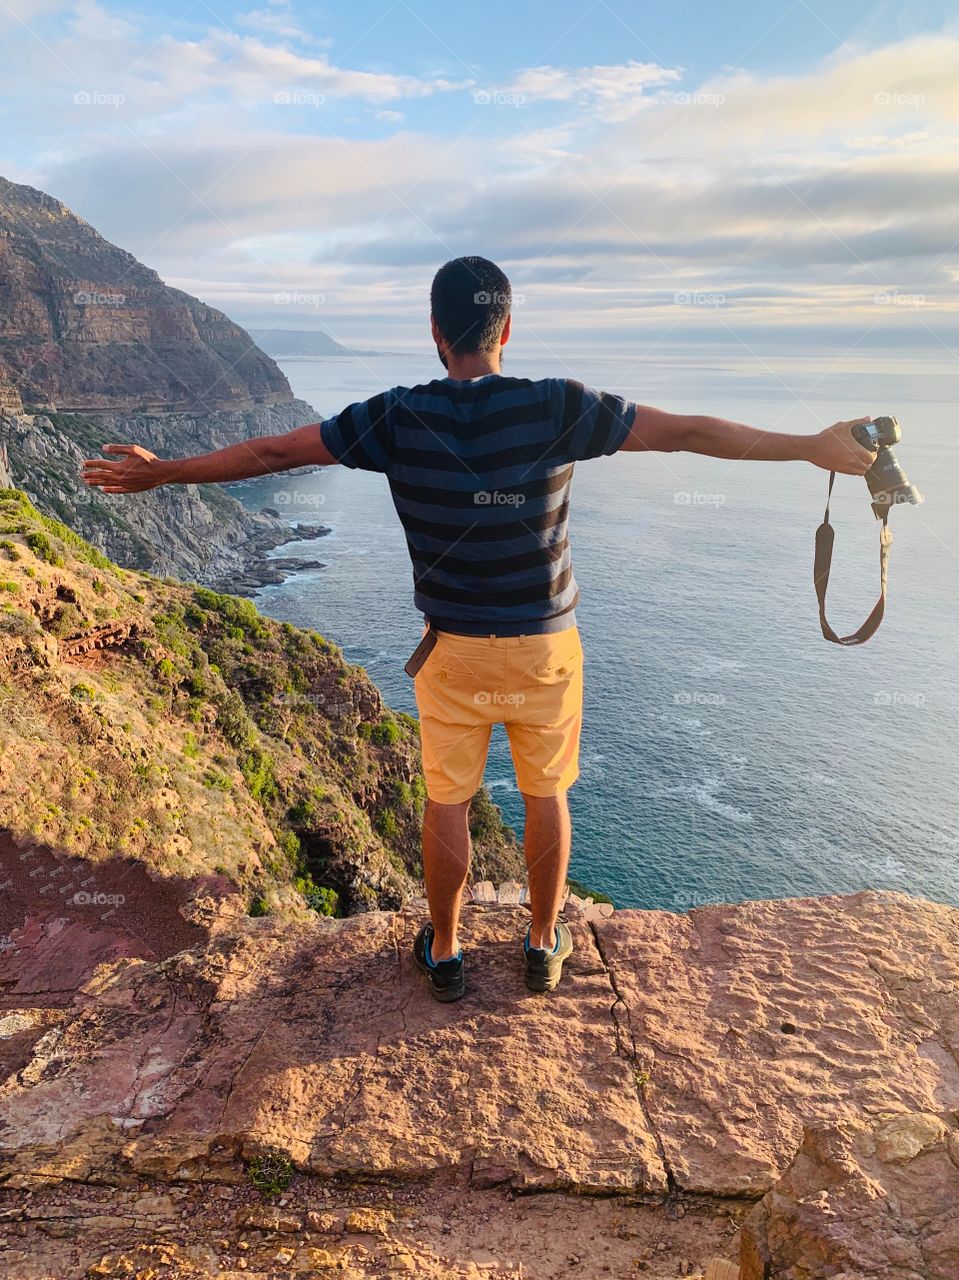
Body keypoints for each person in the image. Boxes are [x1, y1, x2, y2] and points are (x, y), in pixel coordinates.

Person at [82, 255, 877, 1003]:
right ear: (506, 329)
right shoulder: (557, 406)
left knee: (448, 801)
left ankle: (447, 952)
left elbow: (269, 452)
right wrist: (811, 449)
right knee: (546, 793)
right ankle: (542, 943)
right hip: (544, 646)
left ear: (436, 332)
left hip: (453, 650)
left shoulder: (396, 415)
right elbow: (688, 433)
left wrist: (164, 472)